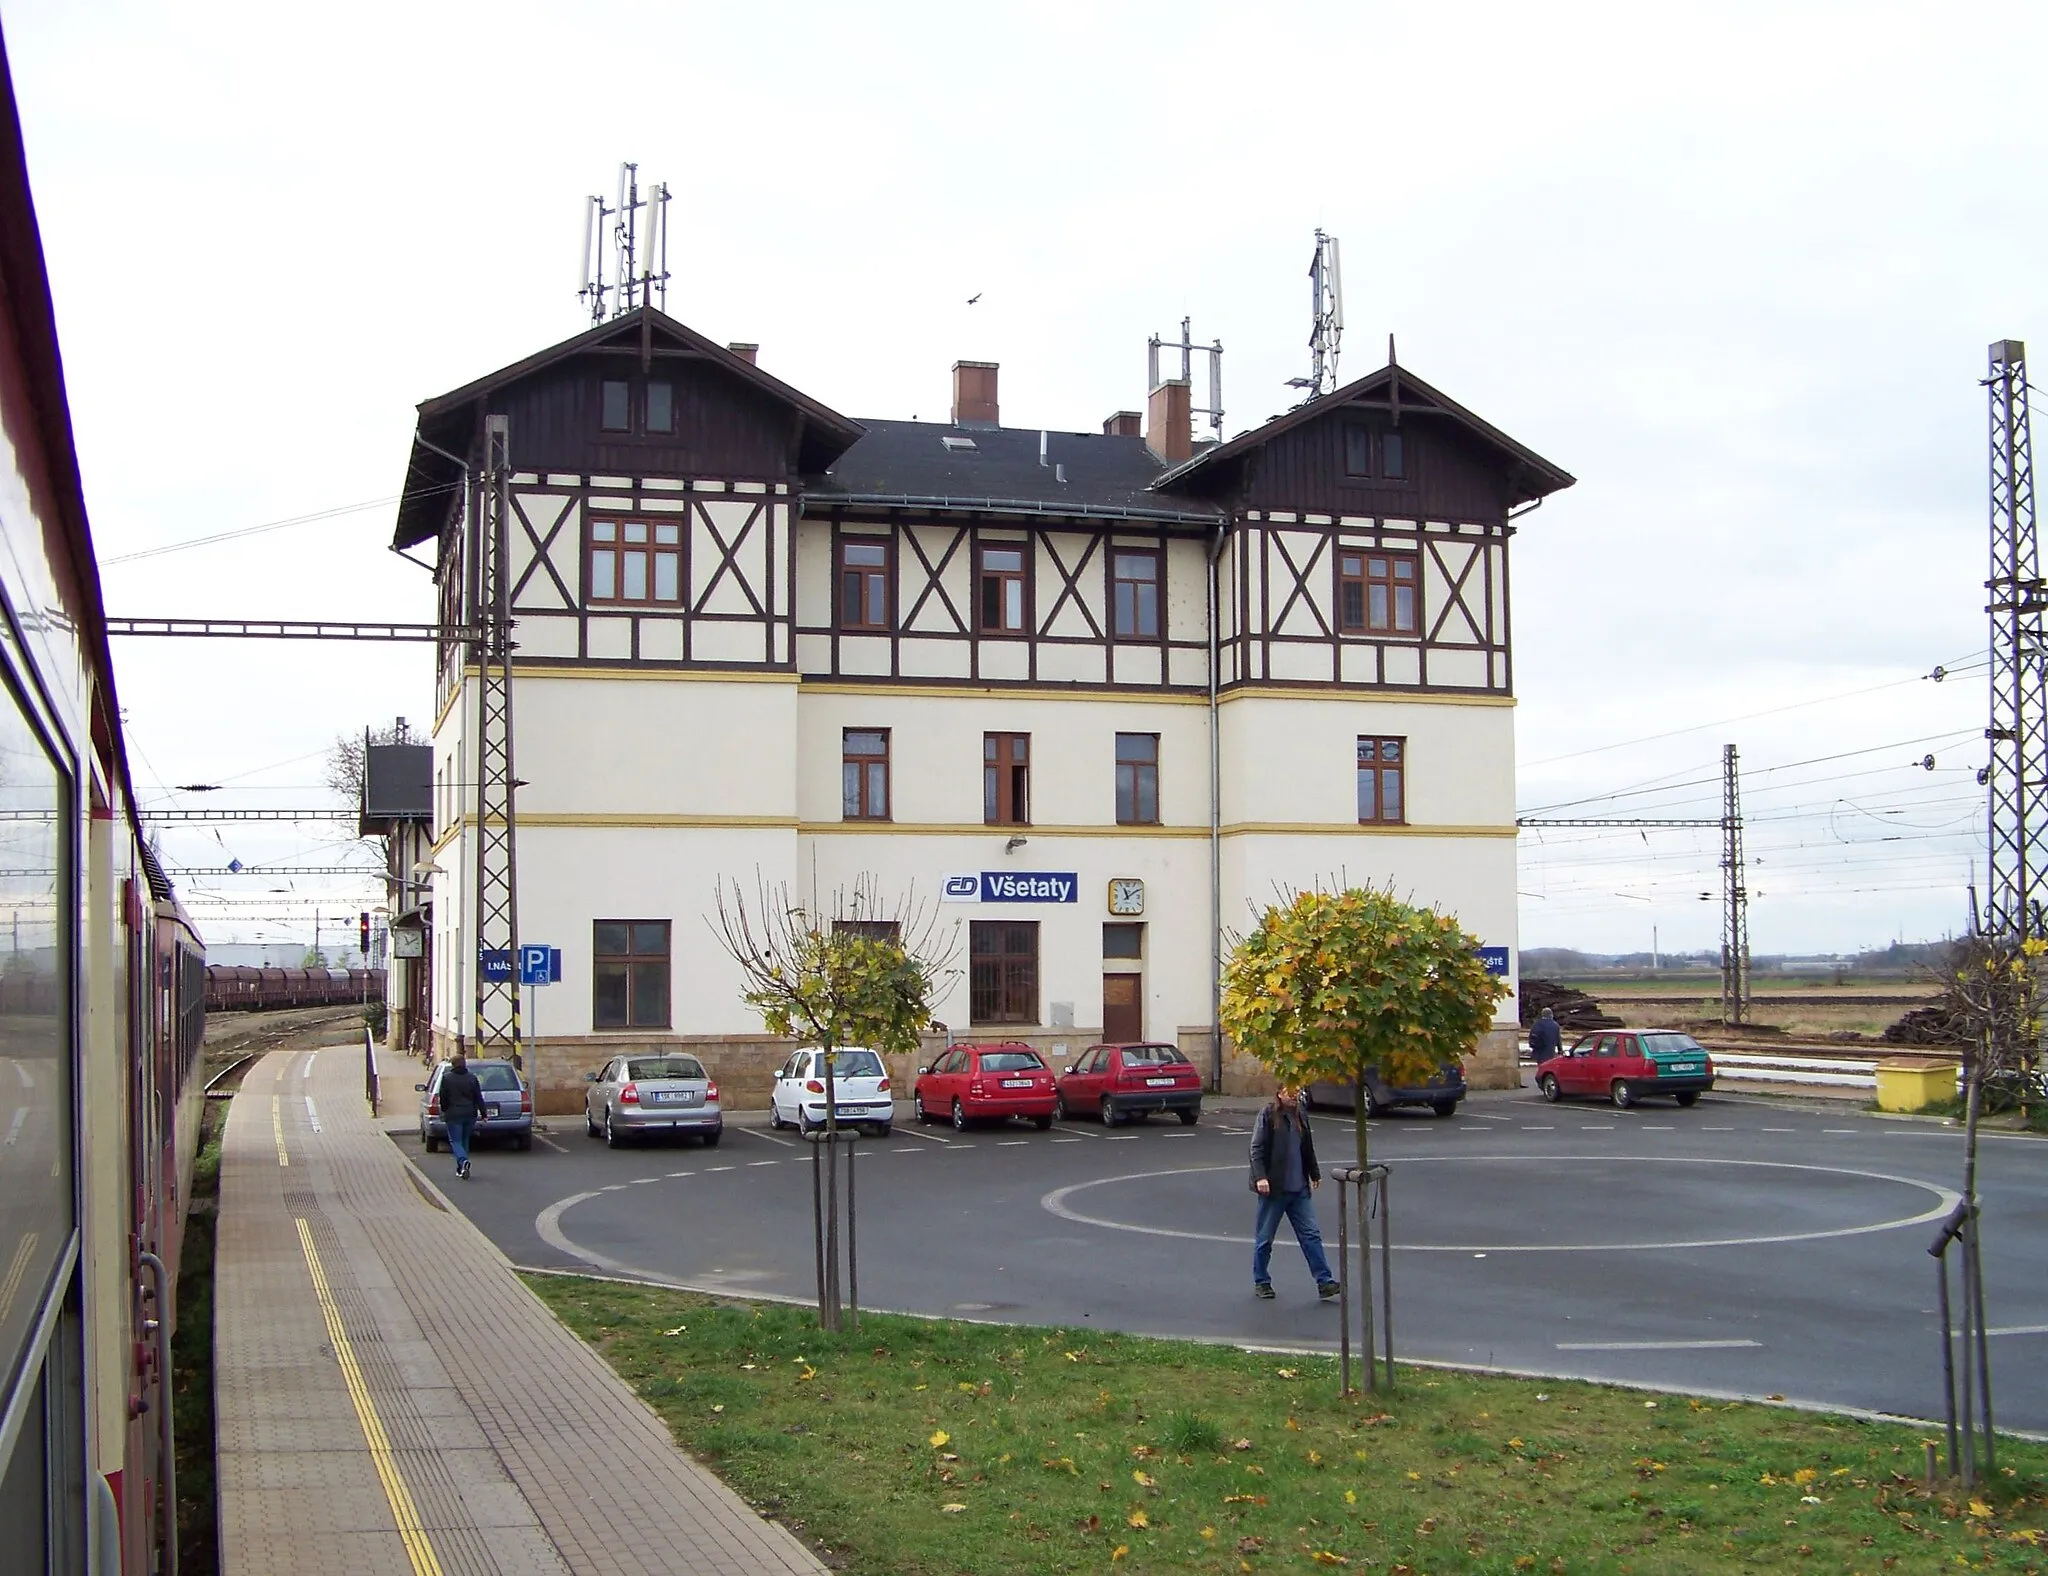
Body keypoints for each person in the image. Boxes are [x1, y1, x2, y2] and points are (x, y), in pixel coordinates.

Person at [1247, 1084, 1338, 1301]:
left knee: (1311, 1235)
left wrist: (1314, 1173)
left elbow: (1307, 1148)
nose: (1294, 1096)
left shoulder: (1301, 1115)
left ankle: (1324, 1281)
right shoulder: (1269, 1115)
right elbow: (1256, 1148)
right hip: (1275, 1190)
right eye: (1290, 1092)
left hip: (1298, 1190)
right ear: (1279, 1093)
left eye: (1297, 1091)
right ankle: (1262, 1281)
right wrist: (1261, 1177)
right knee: (1265, 1238)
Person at [438, 1052, 484, 1180]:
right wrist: (484, 1113)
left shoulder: (447, 1078)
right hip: (470, 1113)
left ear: (452, 1065)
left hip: (453, 1114)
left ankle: (463, 1161)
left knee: (455, 1141)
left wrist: (444, 1110)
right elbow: (478, 1097)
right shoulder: (472, 1078)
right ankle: (461, 1168)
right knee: (464, 1140)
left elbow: (443, 1097)